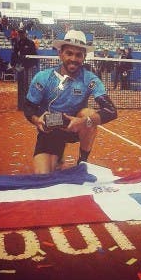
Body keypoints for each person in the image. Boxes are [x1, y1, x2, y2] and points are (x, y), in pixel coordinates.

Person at [23, 30, 118, 174]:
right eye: (69, 53)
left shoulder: (90, 79)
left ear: (84, 57)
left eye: (79, 55)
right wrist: (37, 121)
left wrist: (82, 122)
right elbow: (29, 107)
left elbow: (111, 110)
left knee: (88, 114)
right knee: (43, 176)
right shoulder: (42, 77)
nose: (74, 58)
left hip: (75, 127)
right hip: (50, 129)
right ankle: (58, 154)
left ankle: (82, 162)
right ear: (60, 53)